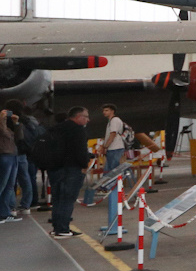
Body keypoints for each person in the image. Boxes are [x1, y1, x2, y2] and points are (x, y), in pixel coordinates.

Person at [37, 106, 91, 238]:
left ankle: (57, 228)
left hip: (54, 169)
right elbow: (80, 151)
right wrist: (85, 165)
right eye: (86, 117)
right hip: (71, 169)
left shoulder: (56, 128)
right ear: (78, 117)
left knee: (57, 199)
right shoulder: (78, 130)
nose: (88, 120)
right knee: (67, 199)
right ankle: (63, 229)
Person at [4, 101, 41, 213]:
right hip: (24, 152)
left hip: (10, 151)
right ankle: (26, 204)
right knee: (26, 178)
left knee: (10, 181)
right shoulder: (28, 120)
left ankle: (11, 206)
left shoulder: (8, 120)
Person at [0, 107, 18, 223]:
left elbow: (19, 136)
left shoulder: (10, 128)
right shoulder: (2, 127)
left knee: (9, 186)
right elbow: (3, 132)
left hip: (12, 155)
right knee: (2, 184)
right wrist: (1, 120)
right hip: (4, 155)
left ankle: (5, 212)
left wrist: (16, 123)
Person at [101, 104, 129, 178]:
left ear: (112, 111)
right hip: (112, 148)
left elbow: (113, 134)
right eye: (103, 110)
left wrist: (105, 146)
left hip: (115, 147)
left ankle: (113, 185)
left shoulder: (115, 120)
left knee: (112, 169)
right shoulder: (111, 121)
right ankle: (108, 185)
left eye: (106, 110)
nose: (104, 112)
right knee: (109, 169)